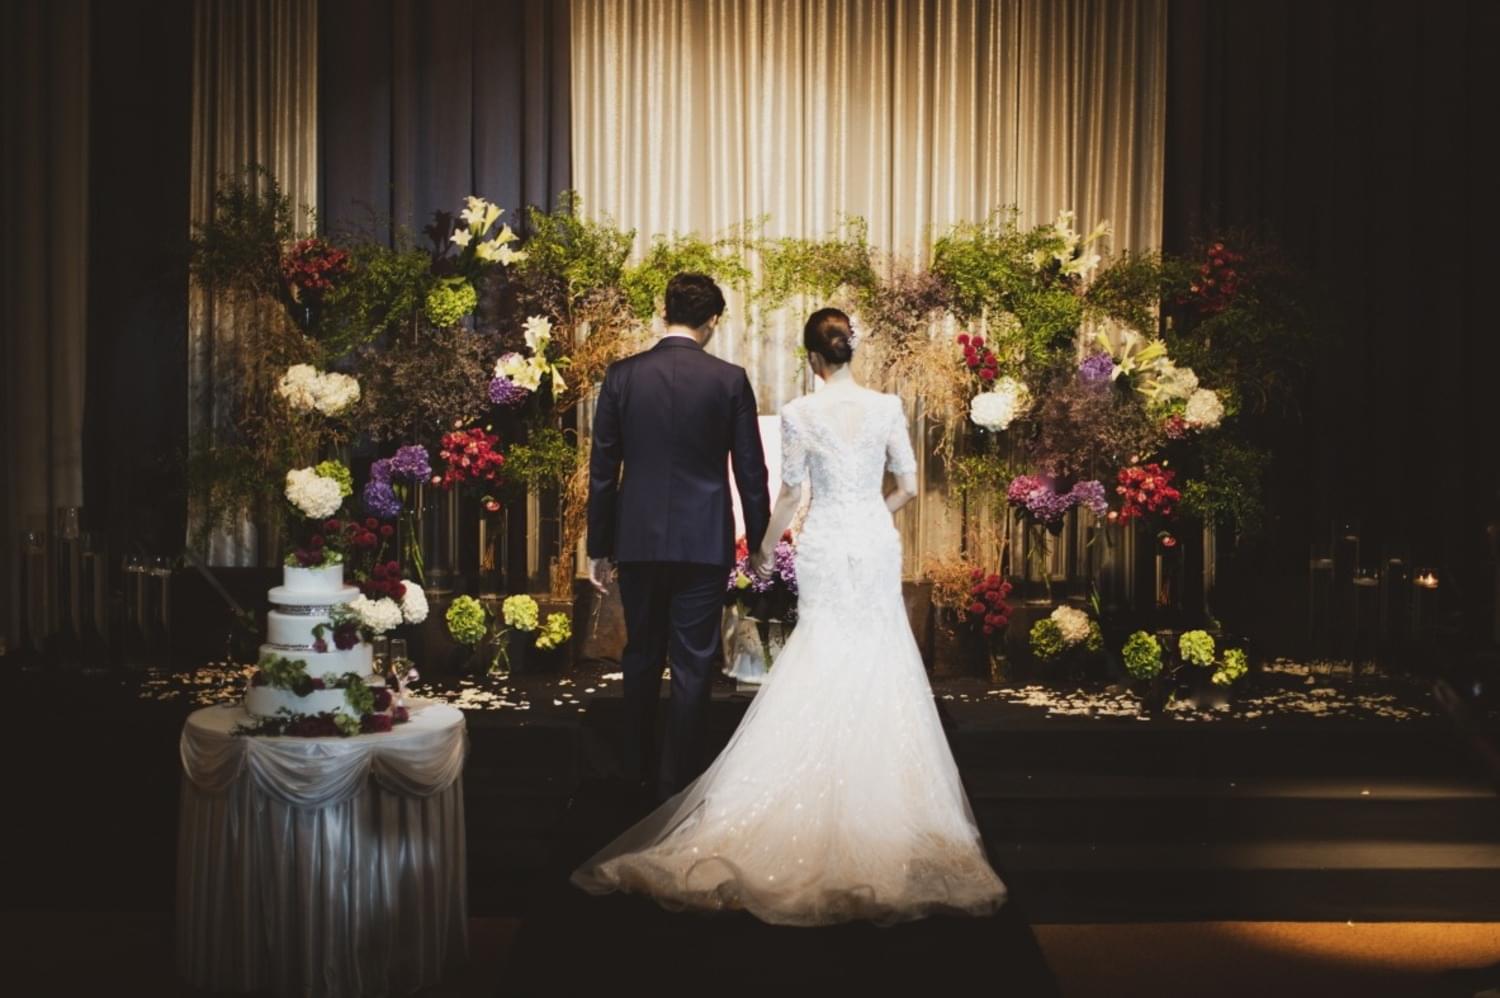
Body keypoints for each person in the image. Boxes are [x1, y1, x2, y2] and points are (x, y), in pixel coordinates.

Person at [573, 307, 1006, 926]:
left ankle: (673, 777)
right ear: (851, 350)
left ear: (812, 358)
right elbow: (909, 486)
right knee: (881, 652)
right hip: (873, 541)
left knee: (822, 648)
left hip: (825, 540)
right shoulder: (888, 406)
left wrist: (766, 548)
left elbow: (791, 492)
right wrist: (872, 514)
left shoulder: (802, 412)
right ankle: (888, 796)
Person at [585, 272, 771, 804]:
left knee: (641, 654)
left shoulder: (622, 376)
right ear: (712, 320)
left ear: (663, 312)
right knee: (693, 663)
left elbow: (603, 470)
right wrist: (760, 543)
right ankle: (680, 787)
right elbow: (751, 472)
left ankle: (635, 776)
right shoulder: (729, 380)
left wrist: (598, 547)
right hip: (703, 541)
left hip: (638, 540)